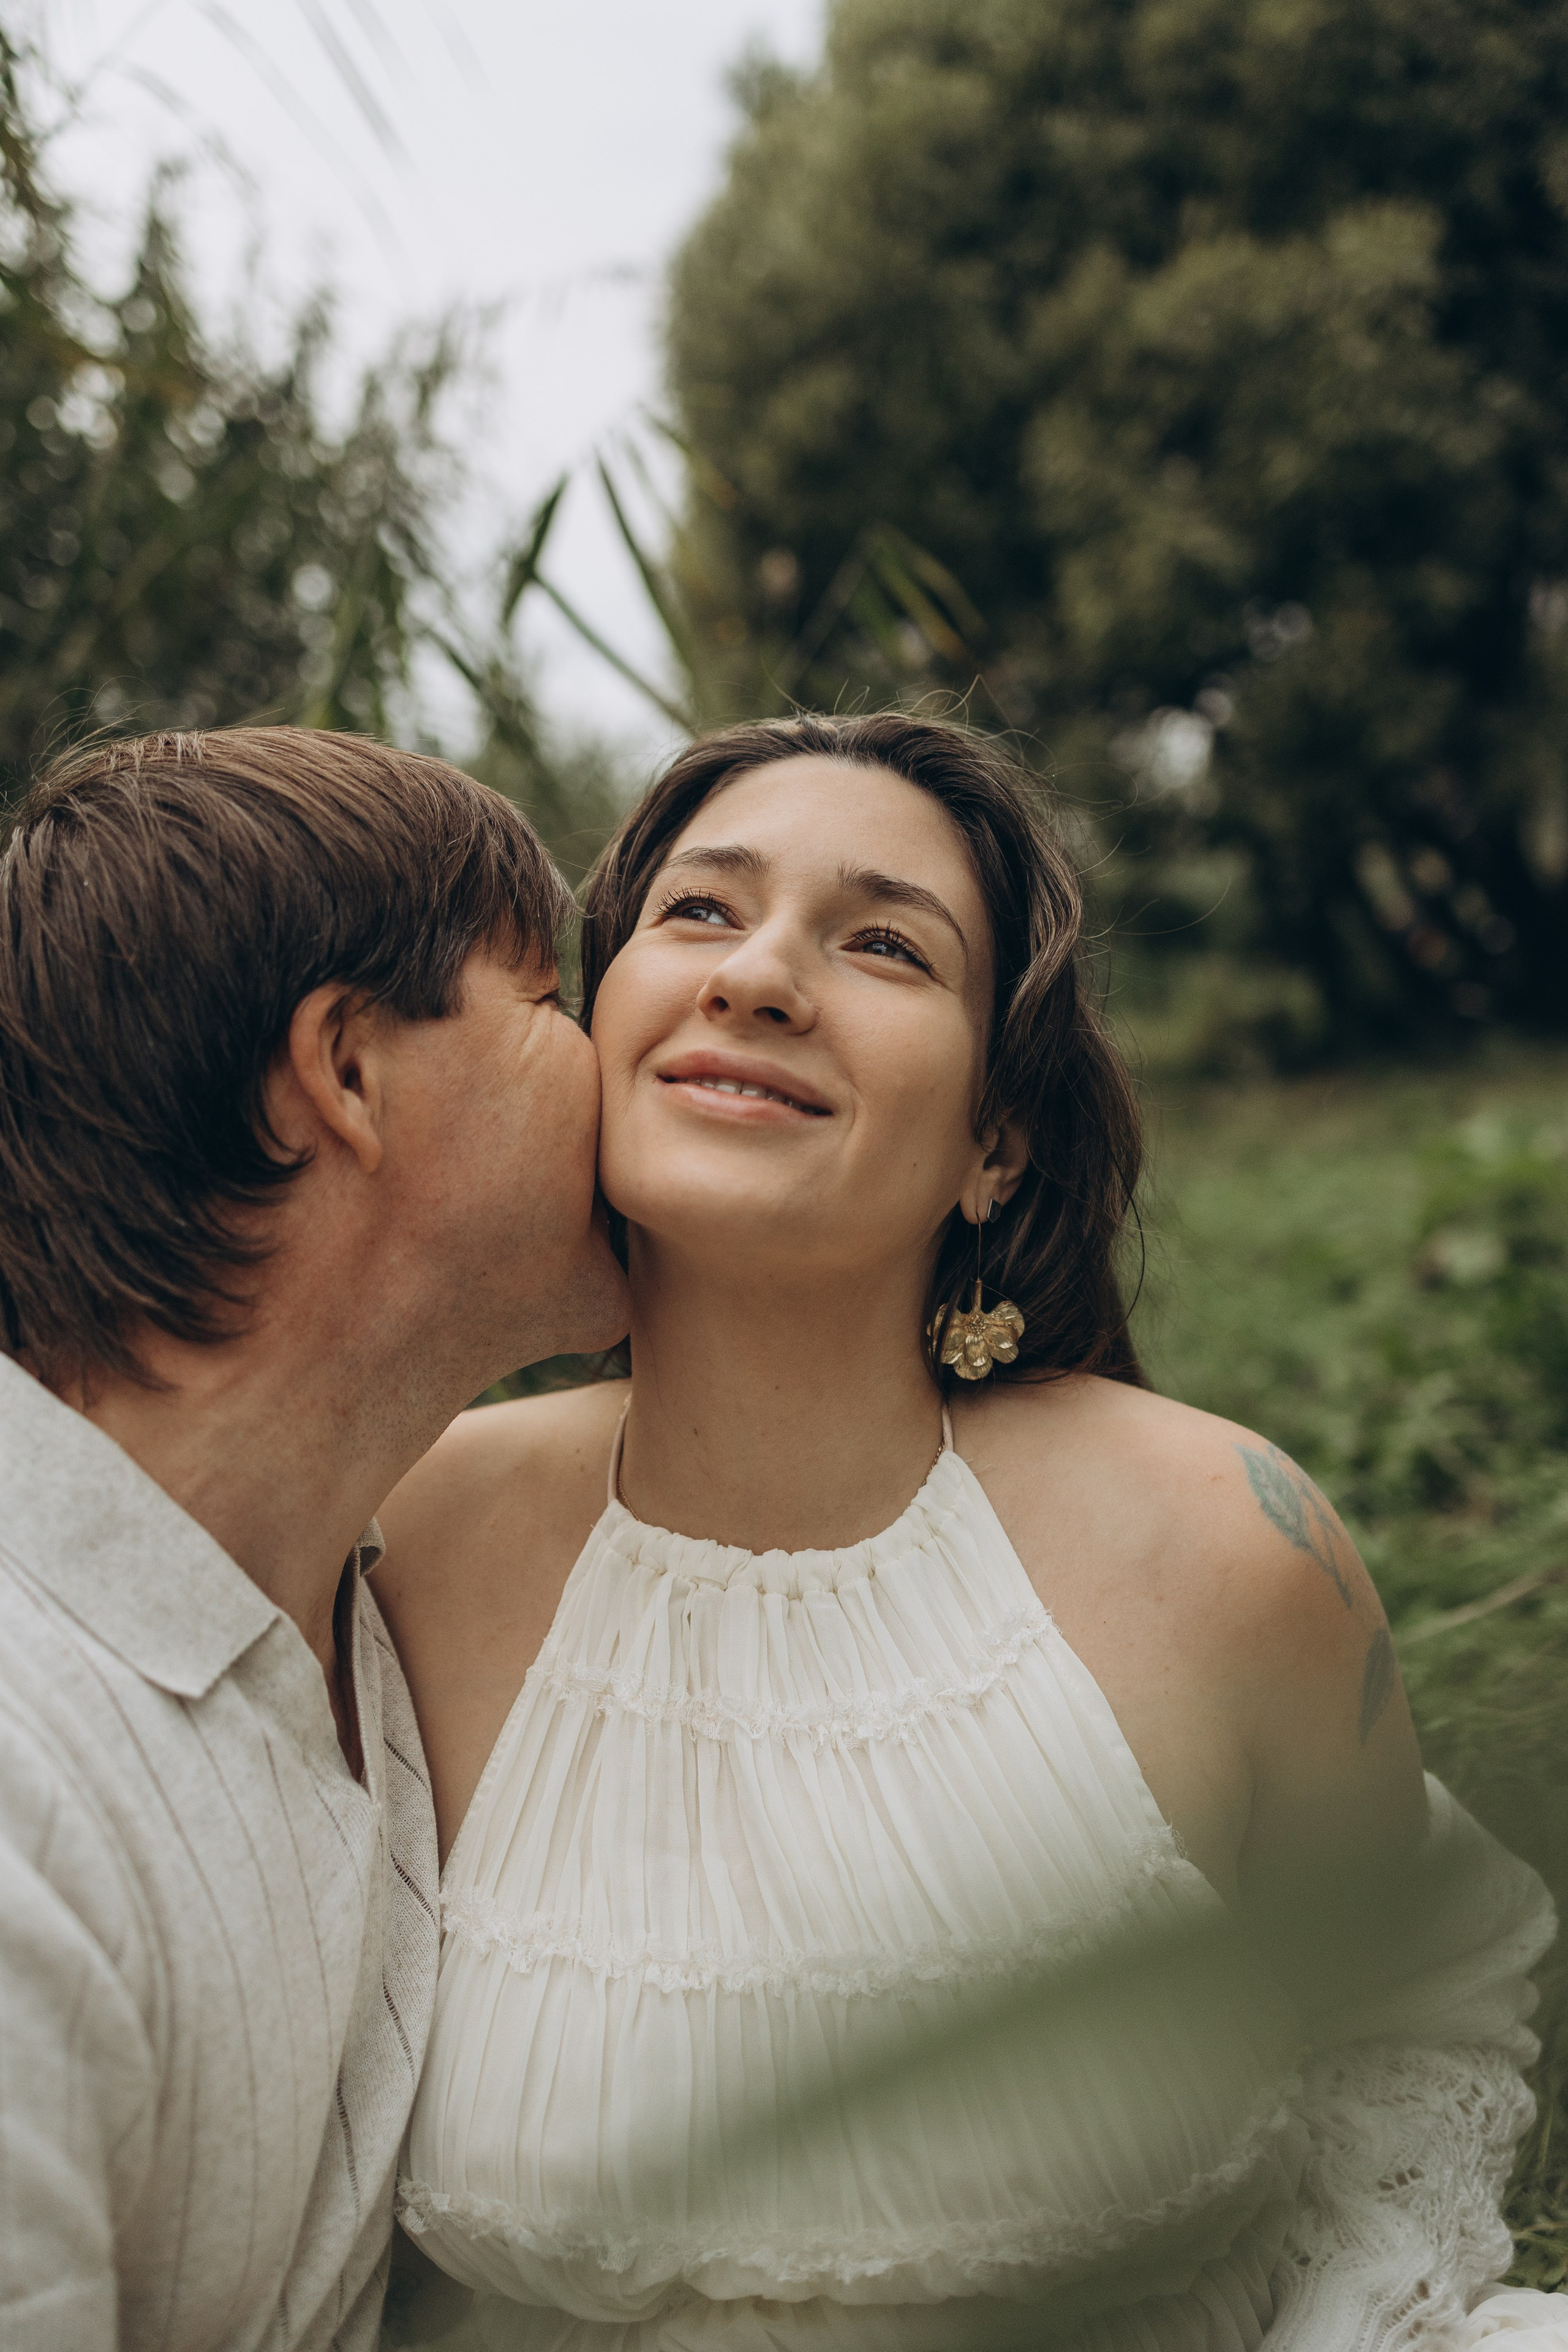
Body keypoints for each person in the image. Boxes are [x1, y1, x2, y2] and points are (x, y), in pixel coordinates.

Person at [375, 713, 1562, 2351]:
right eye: (702, 912)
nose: (761, 977)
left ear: (995, 1143)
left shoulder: (1227, 1542)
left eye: (883, 944)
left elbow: (1408, 2005)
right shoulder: (413, 1538)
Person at [0, 726, 628, 2352]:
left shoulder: (376, 1595)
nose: (616, 1044)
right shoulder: (26, 1787)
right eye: (548, 1000)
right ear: (346, 1072)